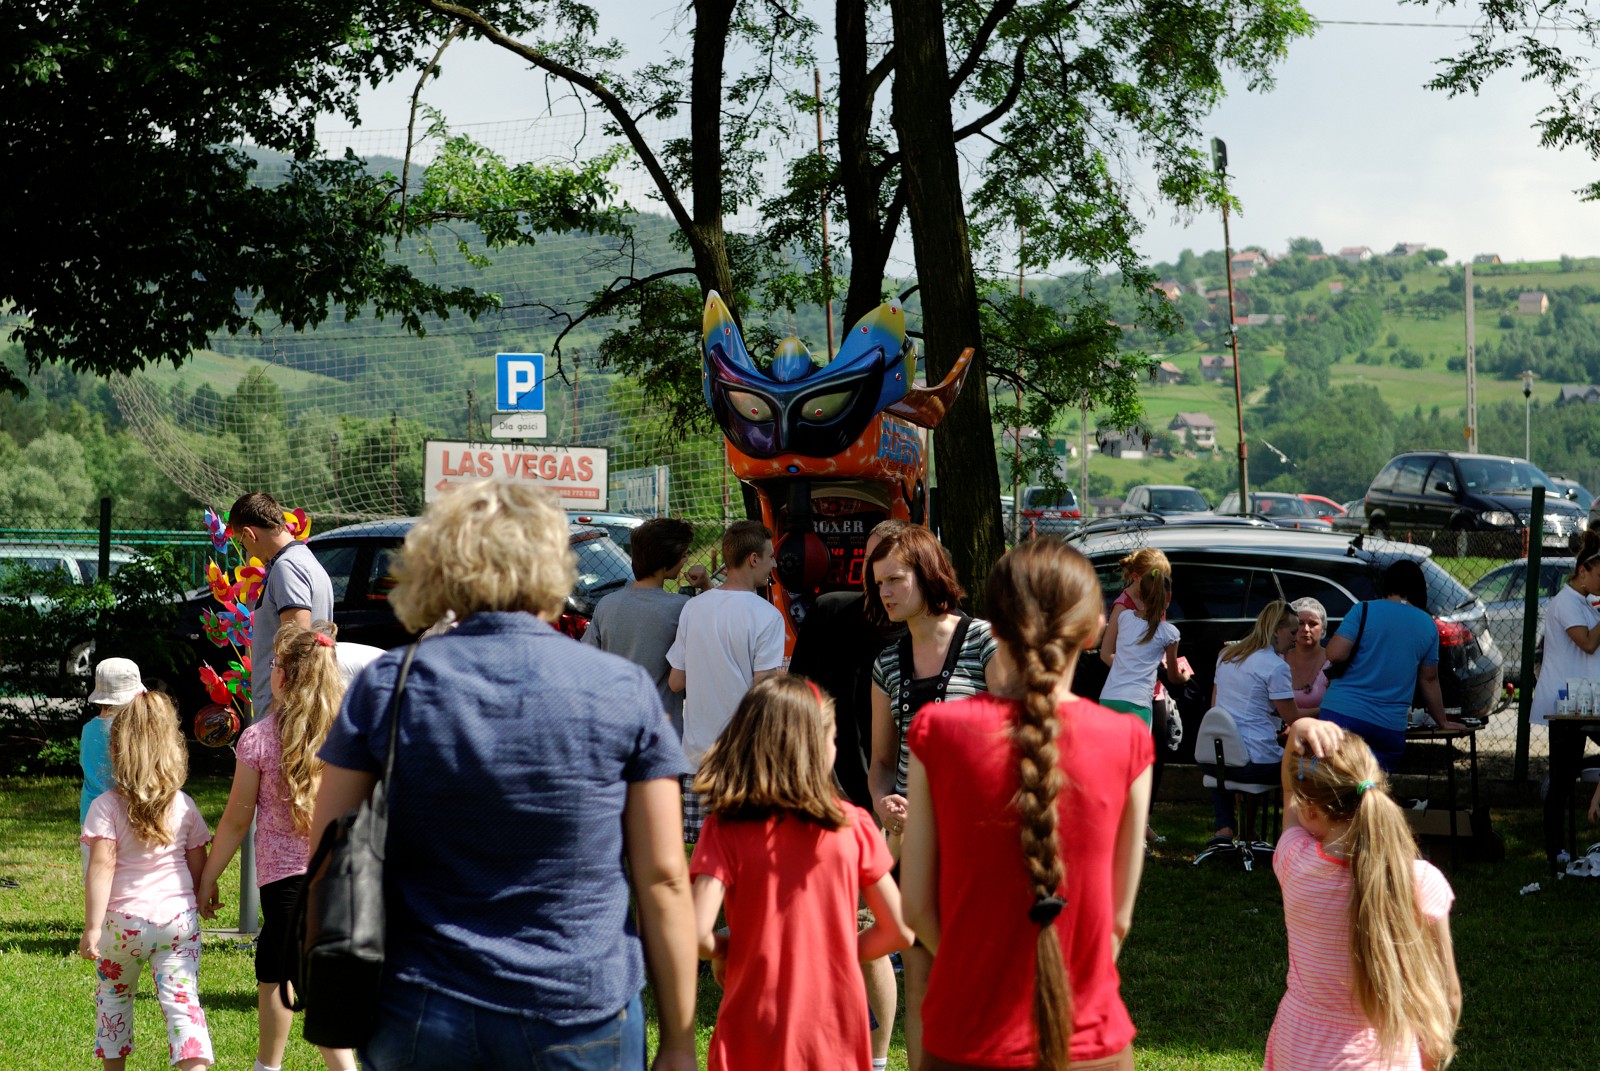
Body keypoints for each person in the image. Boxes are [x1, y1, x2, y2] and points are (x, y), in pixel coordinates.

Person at [311, 480, 698, 1071]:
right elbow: (665, 878)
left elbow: (326, 852)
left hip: (422, 1005)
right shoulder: (622, 689)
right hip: (580, 1006)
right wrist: (678, 1042)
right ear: (554, 566)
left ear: (439, 565)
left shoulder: (390, 683)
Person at [900, 538, 1153, 1071]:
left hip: (966, 1038)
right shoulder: (1128, 740)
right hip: (1091, 1041)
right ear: (1094, 631)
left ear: (994, 628)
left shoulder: (937, 732)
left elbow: (916, 907)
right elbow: (1117, 921)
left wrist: (978, 974)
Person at [690, 675, 914, 1071]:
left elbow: (693, 932)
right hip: (833, 1031)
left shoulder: (724, 827)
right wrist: (837, 955)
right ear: (816, 749)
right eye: (832, 739)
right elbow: (898, 929)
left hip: (751, 1028)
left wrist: (726, 950)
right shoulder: (854, 826)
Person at [866, 525, 1000, 1070]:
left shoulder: (984, 640)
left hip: (980, 842)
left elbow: (1016, 735)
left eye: (895, 579)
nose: (885, 592)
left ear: (927, 573)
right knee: (920, 978)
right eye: (878, 583)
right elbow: (881, 761)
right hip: (912, 844)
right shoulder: (887, 662)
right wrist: (883, 801)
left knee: (979, 977)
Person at [197, 621, 355, 1071]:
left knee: (299, 987)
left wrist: (208, 877)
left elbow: (236, 820)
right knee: (282, 973)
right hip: (340, 881)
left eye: (273, 664)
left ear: (284, 675)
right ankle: (268, 1066)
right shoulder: (348, 736)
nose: (269, 670)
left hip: (287, 887)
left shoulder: (260, 738)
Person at [1268, 721, 1461, 1071]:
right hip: (1385, 1057)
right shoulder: (1420, 882)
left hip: (1297, 1048)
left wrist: (1300, 728)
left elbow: (1288, 792)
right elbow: (1448, 997)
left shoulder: (1295, 863)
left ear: (1311, 811)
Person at [786, 517, 909, 1068]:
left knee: (858, 924)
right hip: (842, 786)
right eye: (878, 569)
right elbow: (797, 693)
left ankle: (870, 1053)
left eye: (893, 572)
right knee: (843, 920)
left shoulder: (906, 630)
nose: (882, 584)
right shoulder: (842, 613)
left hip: (867, 790)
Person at [79, 691, 214, 1070]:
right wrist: (205, 893)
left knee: (114, 999)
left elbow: (101, 868)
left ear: (117, 750)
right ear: (173, 748)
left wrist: (92, 927)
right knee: (183, 1005)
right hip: (177, 923)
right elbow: (198, 861)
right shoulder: (183, 804)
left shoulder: (105, 807)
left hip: (122, 926)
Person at [667, 518, 786, 843]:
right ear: (753, 559)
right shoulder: (768, 616)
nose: (774, 564)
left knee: (706, 855)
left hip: (698, 758)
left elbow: (676, 681)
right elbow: (764, 692)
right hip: (744, 759)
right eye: (770, 556)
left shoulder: (693, 608)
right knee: (746, 852)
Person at [1321, 559, 1461, 771]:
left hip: (1342, 715)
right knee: (1373, 782)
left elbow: (1335, 654)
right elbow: (1429, 679)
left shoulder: (1363, 610)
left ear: (1386, 583)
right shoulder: (1428, 624)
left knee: (1333, 778)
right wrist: (1442, 722)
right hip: (1388, 725)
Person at [584, 517, 696, 739]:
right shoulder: (682, 608)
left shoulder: (607, 604)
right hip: (661, 730)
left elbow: (587, 662)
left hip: (614, 726)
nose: (685, 559)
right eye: (683, 554)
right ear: (665, 562)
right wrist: (707, 586)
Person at [229, 492, 334, 718]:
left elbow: (296, 641)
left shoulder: (287, 567)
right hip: (301, 705)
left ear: (249, 533)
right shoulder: (306, 560)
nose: (246, 550)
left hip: (284, 713)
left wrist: (277, 713)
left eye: (241, 542)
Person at [1206, 601, 1301, 847]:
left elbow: (1216, 706)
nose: (1296, 638)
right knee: (1301, 769)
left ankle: (1226, 828)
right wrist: (1325, 711)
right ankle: (1294, 839)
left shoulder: (1227, 656)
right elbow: (1293, 718)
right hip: (1254, 763)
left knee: (1229, 759)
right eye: (1292, 632)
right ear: (1277, 630)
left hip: (1214, 758)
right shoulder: (1276, 666)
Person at [1098, 567, 1190, 728]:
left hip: (1108, 697)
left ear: (1140, 595)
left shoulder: (1124, 617)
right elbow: (1173, 677)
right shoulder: (1169, 633)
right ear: (1169, 597)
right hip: (1137, 703)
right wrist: (1185, 676)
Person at [1529, 529, 1600, 729]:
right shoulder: (1567, 602)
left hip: (1583, 701)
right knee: (1567, 750)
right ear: (1582, 571)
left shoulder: (1584, 602)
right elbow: (1588, 643)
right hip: (1565, 702)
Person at [80, 658, 146, 869]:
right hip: (126, 818)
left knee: (95, 876)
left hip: (92, 818)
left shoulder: (88, 729)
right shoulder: (130, 732)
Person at [1097, 547, 1172, 673]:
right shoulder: (1122, 607)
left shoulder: (1155, 598)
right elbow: (1106, 654)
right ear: (1136, 577)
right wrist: (1137, 673)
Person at [1284, 597, 1331, 718]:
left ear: (1323, 628)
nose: (1306, 629)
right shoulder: (1279, 659)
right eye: (1300, 623)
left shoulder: (1332, 662)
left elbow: (1338, 706)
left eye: (1313, 624)